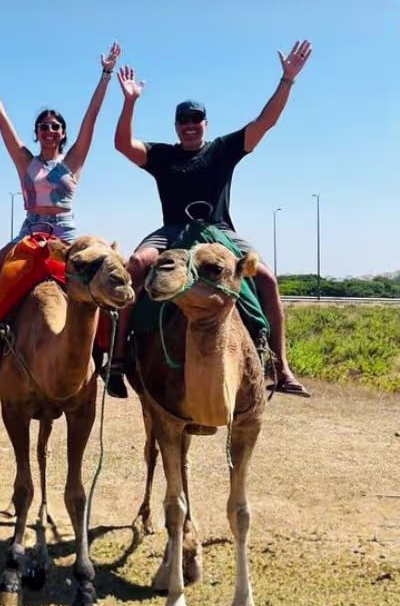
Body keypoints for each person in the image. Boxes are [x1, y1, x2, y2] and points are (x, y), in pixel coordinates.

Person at [107, 38, 313, 398]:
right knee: (136, 265)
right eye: (183, 120)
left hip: (219, 232)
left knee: (266, 279)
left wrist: (288, 80)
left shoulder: (222, 150)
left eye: (195, 119)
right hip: (172, 231)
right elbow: (123, 144)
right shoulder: (163, 155)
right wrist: (129, 101)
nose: (189, 125)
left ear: (205, 123)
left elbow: (265, 122)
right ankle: (118, 357)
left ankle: (280, 366)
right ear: (175, 126)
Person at [0, 43, 121, 359]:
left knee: (106, 284)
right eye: (43, 126)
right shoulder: (25, 161)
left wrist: (106, 74)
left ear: (63, 134)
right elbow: (1, 118)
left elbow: (92, 118)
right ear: (36, 133)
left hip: (66, 235)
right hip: (29, 233)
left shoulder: (74, 161)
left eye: (55, 126)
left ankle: (109, 358)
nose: (49, 130)